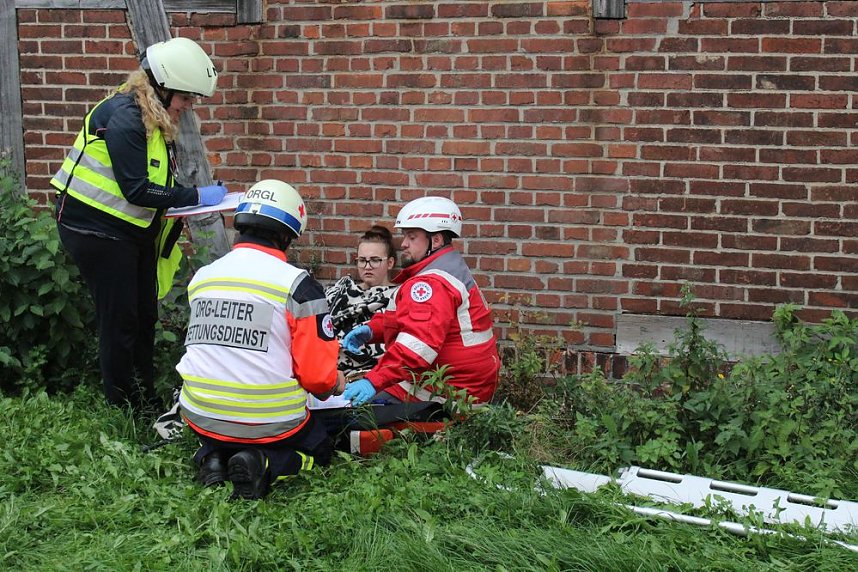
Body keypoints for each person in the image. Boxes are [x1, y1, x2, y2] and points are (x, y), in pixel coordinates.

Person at [50, 37, 228, 412]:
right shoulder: (126, 118)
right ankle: (124, 408)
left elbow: (155, 180)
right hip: (94, 230)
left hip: (130, 230)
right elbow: (137, 190)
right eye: (185, 98)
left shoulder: (152, 114)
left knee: (145, 315)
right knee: (121, 321)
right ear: (163, 88)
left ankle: (145, 396)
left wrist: (185, 195)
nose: (189, 106)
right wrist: (195, 197)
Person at [175, 179, 345, 500]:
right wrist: (336, 381)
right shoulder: (298, 286)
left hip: (199, 414)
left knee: (222, 429)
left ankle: (211, 456)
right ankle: (265, 463)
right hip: (270, 422)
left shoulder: (204, 277)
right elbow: (318, 380)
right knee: (321, 446)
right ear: (288, 235)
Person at [339, 196, 501, 423]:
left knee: (349, 419)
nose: (403, 243)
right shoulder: (448, 268)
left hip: (444, 394)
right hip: (460, 385)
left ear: (435, 240)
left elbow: (416, 347)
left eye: (412, 237)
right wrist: (371, 330)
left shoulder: (432, 283)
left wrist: (373, 381)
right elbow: (410, 319)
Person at [324, 225, 397, 378]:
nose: (367, 266)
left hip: (370, 375)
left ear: (390, 263)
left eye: (375, 260)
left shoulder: (398, 296)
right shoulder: (340, 291)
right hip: (326, 370)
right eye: (362, 260)